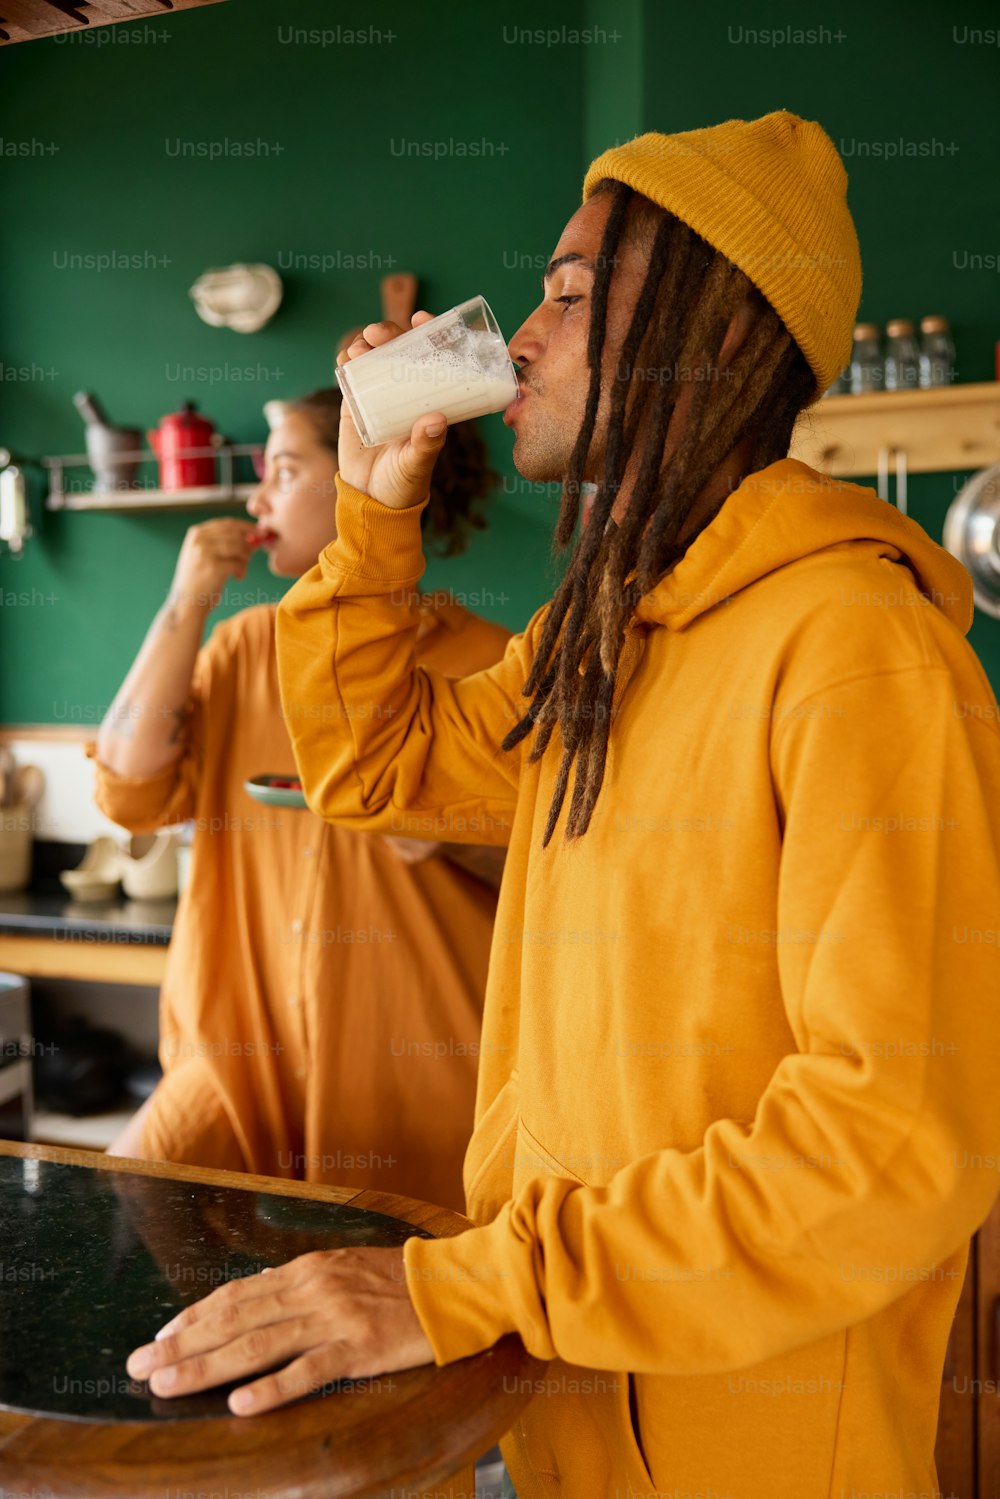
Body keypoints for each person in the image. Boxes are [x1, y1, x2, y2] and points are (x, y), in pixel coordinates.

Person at [127, 112, 1000, 1499]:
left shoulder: (859, 647)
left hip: (756, 1449)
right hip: (568, 1405)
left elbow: (889, 1143)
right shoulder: (603, 633)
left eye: (575, 295)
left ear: (718, 337)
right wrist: (369, 515)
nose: (520, 337)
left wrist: (472, 1281)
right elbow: (378, 767)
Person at [92, 389, 510, 1213]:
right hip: (233, 1065)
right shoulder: (249, 645)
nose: (257, 498)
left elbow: (553, 874)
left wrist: (444, 836)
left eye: (285, 469)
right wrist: (186, 603)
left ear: (372, 475)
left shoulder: (495, 663)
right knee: (122, 1219)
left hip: (422, 1077)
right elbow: (127, 786)